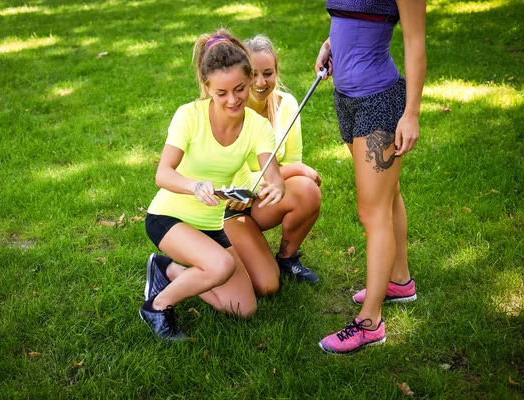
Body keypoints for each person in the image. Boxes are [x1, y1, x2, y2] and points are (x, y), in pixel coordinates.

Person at [140, 29, 286, 341]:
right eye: (221, 93)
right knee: (219, 265)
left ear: (249, 80)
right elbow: (163, 174)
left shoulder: (258, 127)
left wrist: (277, 187)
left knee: (242, 308)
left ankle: (166, 270)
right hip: (170, 219)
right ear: (207, 87)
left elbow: (272, 174)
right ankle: (158, 306)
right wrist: (193, 185)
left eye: (240, 89)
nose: (233, 99)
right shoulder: (189, 116)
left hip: (209, 226)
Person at [315, 0, 426, 354]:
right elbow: (352, 19)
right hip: (345, 98)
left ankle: (370, 322)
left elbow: (415, 42)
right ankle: (399, 281)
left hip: (379, 100)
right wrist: (331, 44)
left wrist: (411, 113)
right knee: (387, 196)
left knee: (372, 212)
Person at [222, 34, 322, 296]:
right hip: (229, 206)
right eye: (253, 74)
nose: (260, 82)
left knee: (307, 190)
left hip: (260, 199)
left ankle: (288, 258)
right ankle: (193, 262)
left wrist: (288, 174)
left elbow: (292, 159)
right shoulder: (233, 108)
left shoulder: (286, 104)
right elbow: (239, 180)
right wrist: (291, 172)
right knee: (267, 286)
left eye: (268, 73)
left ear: (276, 72)